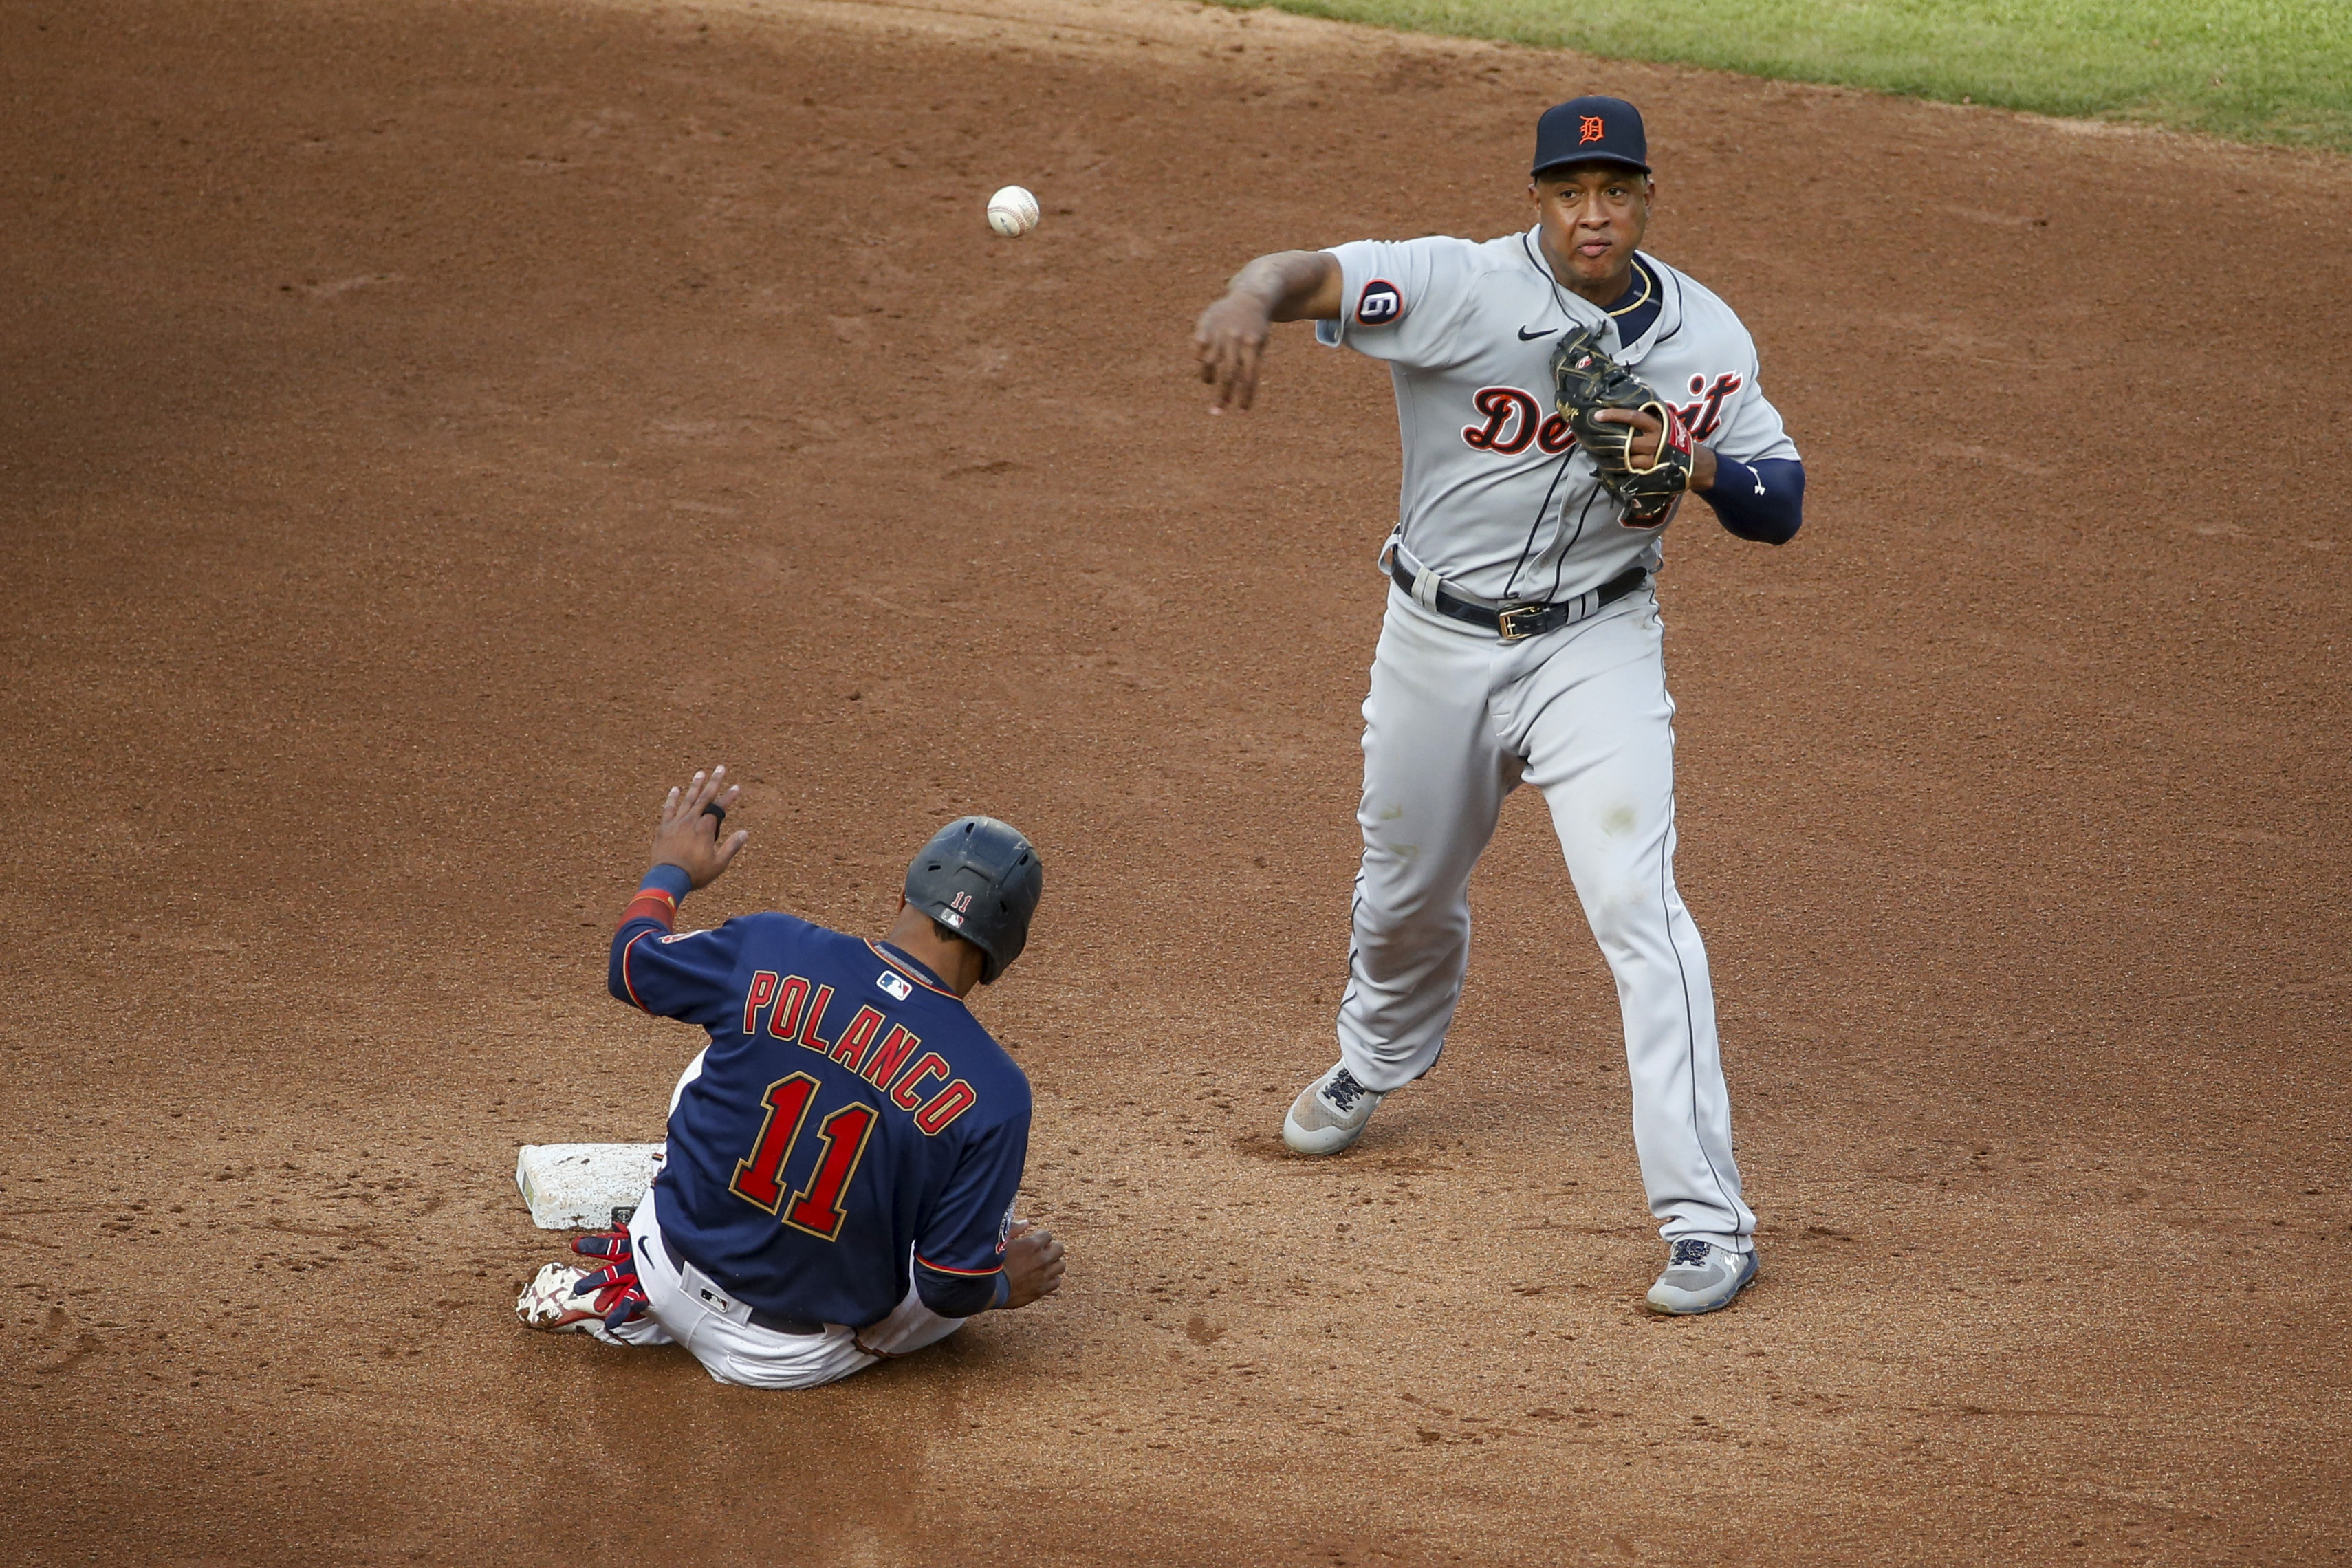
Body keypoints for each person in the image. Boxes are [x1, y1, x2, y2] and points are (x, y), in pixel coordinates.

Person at [1192, 96, 1805, 1314]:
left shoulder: (1706, 335)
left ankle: (1707, 1222)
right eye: (1571, 191)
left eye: (1616, 189)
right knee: (1404, 892)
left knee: (1644, 910)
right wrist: (1245, 300)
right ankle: (1375, 1061)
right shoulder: (1454, 286)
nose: (1594, 212)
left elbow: (1780, 501)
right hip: (1435, 640)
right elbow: (1306, 272)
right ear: (1538, 197)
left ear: (1645, 197)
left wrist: (1687, 459)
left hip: (1600, 649)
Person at [516, 766, 1067, 1385]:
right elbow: (948, 1289)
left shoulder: (770, 946)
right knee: (975, 1204)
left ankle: (639, 1287)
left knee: (728, 1053)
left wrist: (671, 870)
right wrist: (1000, 1285)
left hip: (668, 1268)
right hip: (783, 1359)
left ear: (903, 895)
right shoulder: (997, 1093)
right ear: (1003, 955)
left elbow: (632, 965)